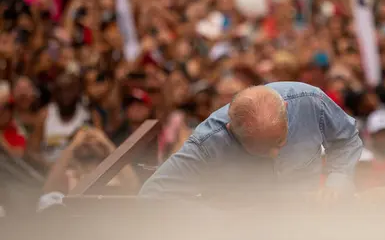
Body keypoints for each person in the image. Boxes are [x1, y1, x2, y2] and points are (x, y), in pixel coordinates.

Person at [139, 82, 362, 200]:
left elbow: (346, 139)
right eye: (262, 149)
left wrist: (338, 181)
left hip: (306, 224)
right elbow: (153, 194)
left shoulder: (310, 102)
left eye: (279, 140)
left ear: (285, 109)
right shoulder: (209, 140)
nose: (275, 154)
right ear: (230, 130)